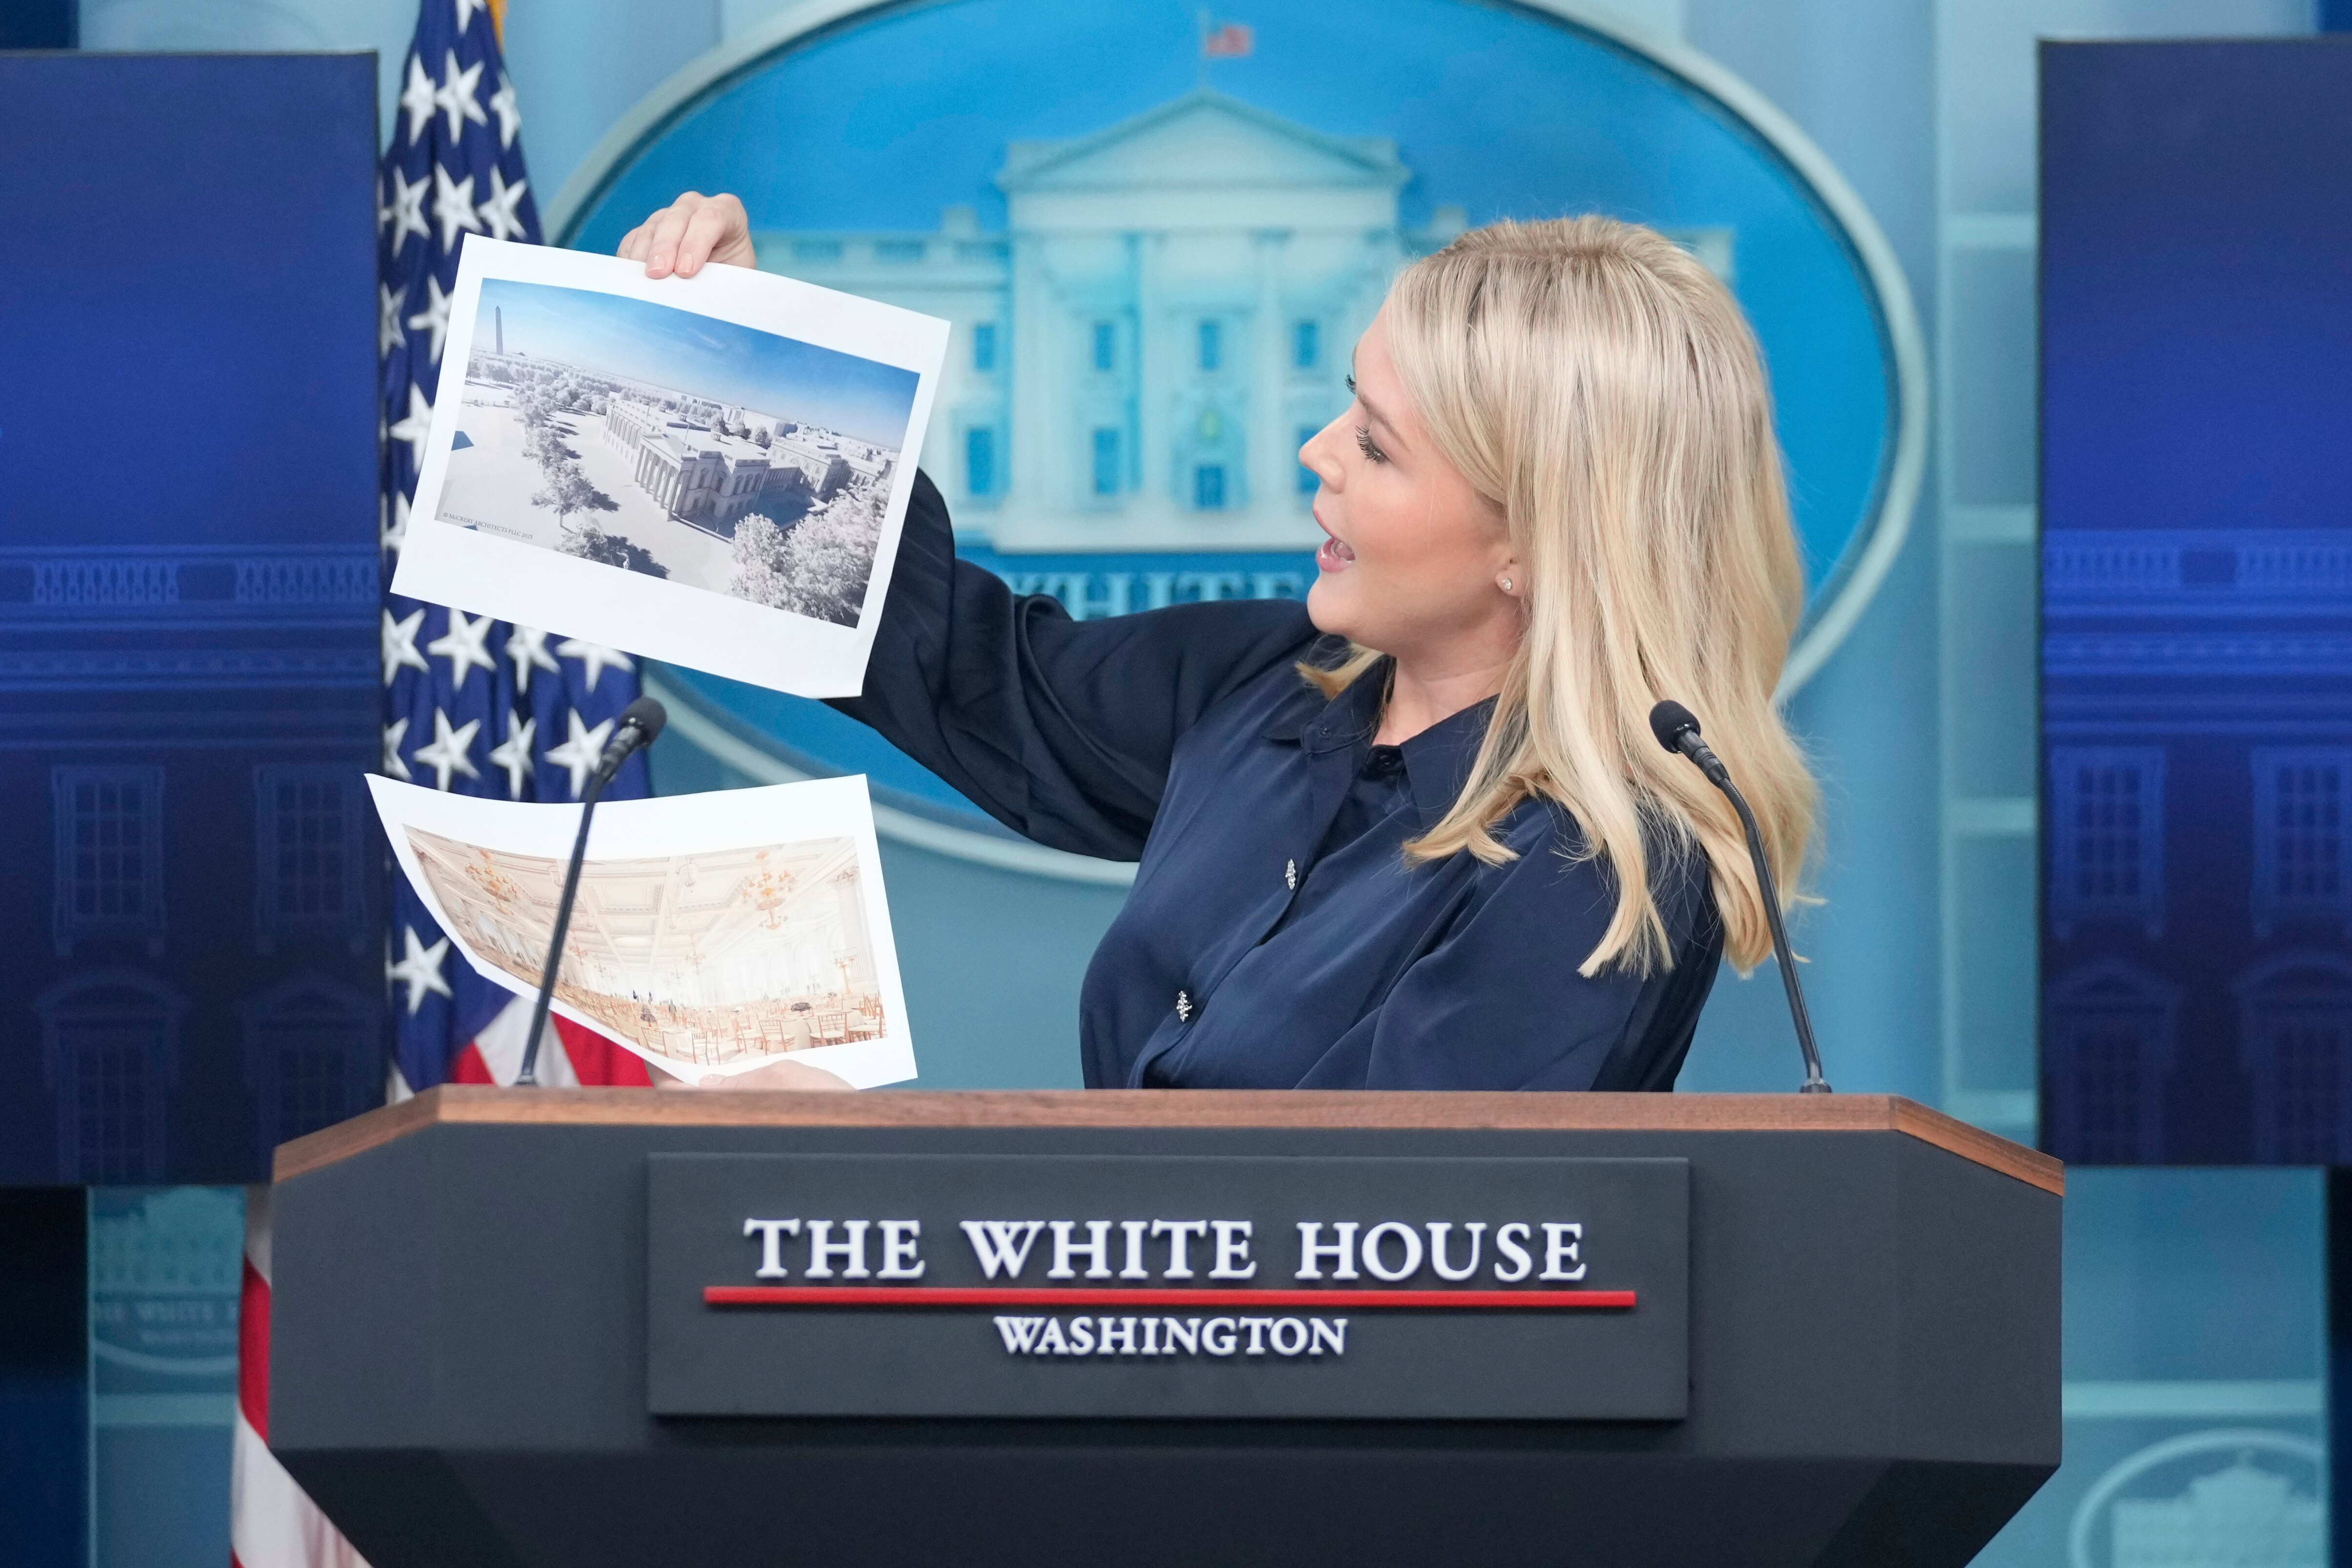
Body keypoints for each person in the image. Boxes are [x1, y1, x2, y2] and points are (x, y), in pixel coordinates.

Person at [621, 191, 1816, 1092]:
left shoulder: (1599, 866)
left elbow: (1341, 1249)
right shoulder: (1271, 681)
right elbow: (972, 672)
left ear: (1537, 540)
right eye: (1349, 404)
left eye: (1380, 446)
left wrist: (874, 1170)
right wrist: (763, 365)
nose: (1320, 453)